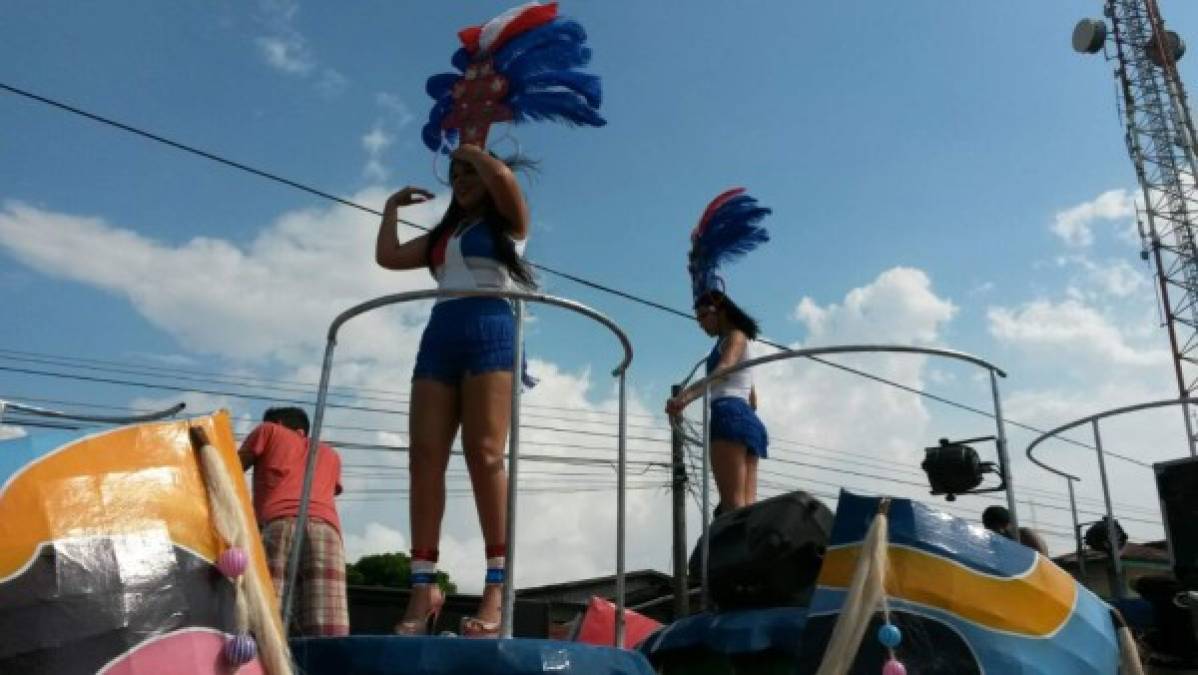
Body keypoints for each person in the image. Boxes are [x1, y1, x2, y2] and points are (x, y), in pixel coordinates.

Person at [375, 143, 532, 637]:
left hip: (492, 328)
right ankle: (422, 586)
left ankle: (497, 586)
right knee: (424, 455)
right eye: (456, 172)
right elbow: (388, 257)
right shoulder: (446, 234)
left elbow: (506, 182)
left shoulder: (509, 221)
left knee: (485, 454)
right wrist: (390, 210)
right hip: (441, 333)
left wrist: (472, 146)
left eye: (471, 172)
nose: (462, 179)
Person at [666, 188, 772, 515]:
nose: (700, 324)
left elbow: (723, 370)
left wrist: (686, 397)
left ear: (718, 310)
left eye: (702, 317)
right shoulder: (737, 339)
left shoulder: (733, 337)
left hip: (728, 415)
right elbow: (752, 398)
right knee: (747, 509)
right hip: (749, 421)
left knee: (733, 509)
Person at [238, 406, 347, 636]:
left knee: (265, 617)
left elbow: (232, 468)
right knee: (326, 626)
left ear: (277, 422)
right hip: (327, 531)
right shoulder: (331, 455)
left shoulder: (269, 430)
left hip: (280, 524)